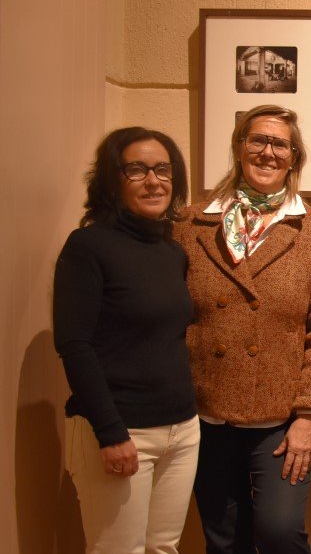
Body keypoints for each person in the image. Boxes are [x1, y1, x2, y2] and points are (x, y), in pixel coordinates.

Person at [175, 104, 311, 554]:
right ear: (239, 148)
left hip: (281, 417)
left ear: (294, 158)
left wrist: (309, 417)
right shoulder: (191, 225)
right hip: (205, 411)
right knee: (223, 537)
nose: (268, 152)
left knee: (280, 531)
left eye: (280, 144)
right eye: (258, 140)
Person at [54, 127, 199, 554]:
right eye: (136, 170)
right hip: (120, 429)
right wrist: (111, 433)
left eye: (162, 169)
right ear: (112, 179)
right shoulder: (88, 247)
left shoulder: (172, 251)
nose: (153, 181)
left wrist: (186, 424)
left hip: (181, 430)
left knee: (163, 548)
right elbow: (74, 344)